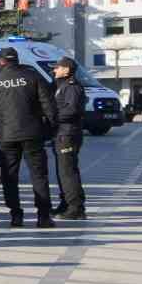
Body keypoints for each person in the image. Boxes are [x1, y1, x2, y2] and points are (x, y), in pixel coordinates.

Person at [0, 47, 56, 228]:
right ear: (17, 60)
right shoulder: (33, 77)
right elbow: (49, 105)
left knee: (9, 177)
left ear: (0, 62)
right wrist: (50, 129)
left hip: (6, 135)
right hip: (32, 134)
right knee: (39, 175)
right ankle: (43, 216)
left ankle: (16, 214)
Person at [51, 57, 87, 219]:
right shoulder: (62, 85)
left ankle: (75, 207)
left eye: (57, 68)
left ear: (66, 70)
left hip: (68, 134)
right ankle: (66, 202)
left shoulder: (72, 87)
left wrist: (51, 117)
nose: (54, 70)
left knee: (68, 172)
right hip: (61, 133)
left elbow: (71, 111)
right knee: (63, 171)